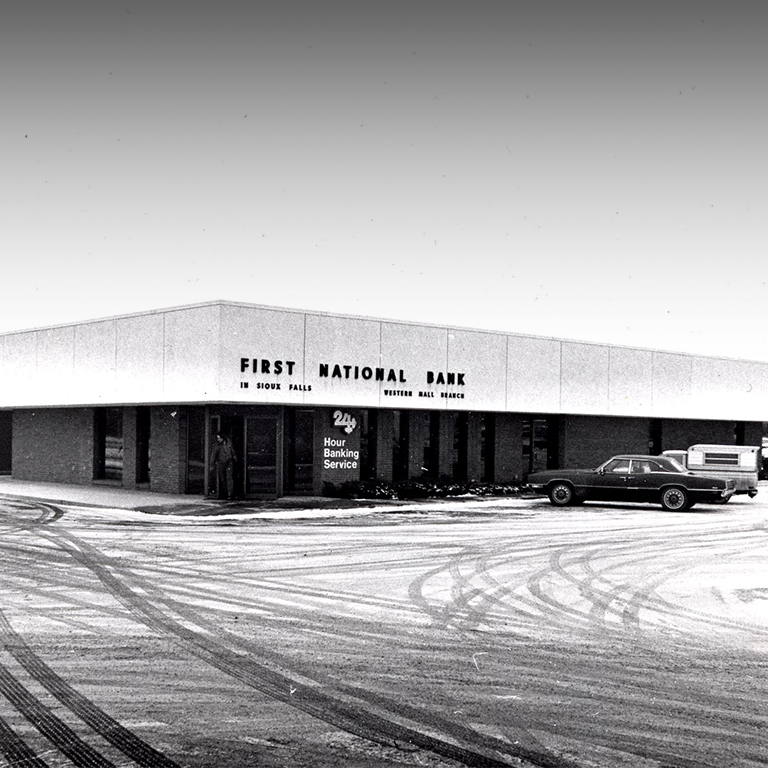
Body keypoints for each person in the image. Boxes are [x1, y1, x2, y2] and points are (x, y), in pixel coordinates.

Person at [210, 432, 237, 500]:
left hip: (228, 462)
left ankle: (230, 494)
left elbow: (232, 451)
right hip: (221, 462)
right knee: (223, 479)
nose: (218, 439)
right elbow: (214, 454)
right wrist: (212, 463)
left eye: (219, 438)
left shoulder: (228, 444)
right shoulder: (217, 445)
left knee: (229, 478)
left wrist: (234, 458)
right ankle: (226, 492)